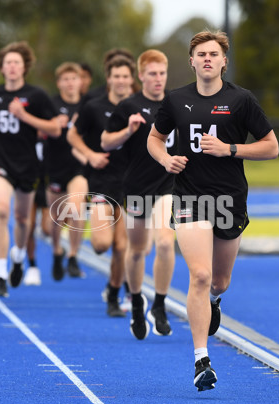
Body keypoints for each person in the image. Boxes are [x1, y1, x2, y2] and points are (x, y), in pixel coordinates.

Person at [147, 31, 278, 391]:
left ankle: (215, 302)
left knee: (219, 282)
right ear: (191, 61)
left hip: (229, 199)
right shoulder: (176, 100)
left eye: (213, 54)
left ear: (224, 61)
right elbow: (154, 138)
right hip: (190, 197)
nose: (207, 59)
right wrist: (165, 159)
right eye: (200, 54)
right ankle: (201, 360)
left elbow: (271, 147)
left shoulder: (241, 100)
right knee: (200, 276)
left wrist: (230, 149)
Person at [101, 49, 177, 340]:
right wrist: (128, 131)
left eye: (162, 73)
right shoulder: (128, 106)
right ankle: (135, 303)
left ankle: (159, 304)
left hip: (168, 184)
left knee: (166, 243)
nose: (158, 79)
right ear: (141, 76)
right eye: (153, 74)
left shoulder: (177, 103)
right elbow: (105, 143)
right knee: (136, 251)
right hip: (136, 186)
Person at [0, 41, 63, 297]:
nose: (12, 67)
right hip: (0, 162)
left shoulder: (37, 95)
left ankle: (17, 256)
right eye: (8, 62)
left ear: (24, 67)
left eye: (17, 62)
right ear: (2, 68)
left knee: (21, 219)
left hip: (28, 166)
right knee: (1, 210)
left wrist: (24, 116)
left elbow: (55, 129)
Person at [67, 54, 136, 317]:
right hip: (101, 183)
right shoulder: (93, 107)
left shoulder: (139, 108)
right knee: (100, 245)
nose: (120, 81)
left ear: (132, 81)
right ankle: (114, 288)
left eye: (125, 77)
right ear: (109, 79)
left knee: (122, 248)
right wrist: (89, 154)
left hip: (131, 184)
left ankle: (113, 293)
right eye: (116, 76)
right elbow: (72, 134)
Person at [45, 62, 88, 281]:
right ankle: (56, 251)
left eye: (74, 79)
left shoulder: (87, 105)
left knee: (76, 207)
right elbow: (39, 130)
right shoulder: (51, 105)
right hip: (55, 165)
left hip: (78, 167)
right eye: (66, 79)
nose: (70, 83)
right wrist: (51, 124)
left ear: (81, 82)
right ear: (59, 82)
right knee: (55, 219)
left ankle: (72, 255)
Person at [23, 132, 53, 286]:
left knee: (48, 229)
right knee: (28, 225)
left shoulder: (52, 135)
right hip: (29, 182)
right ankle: (32, 266)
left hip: (48, 183)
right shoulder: (27, 135)